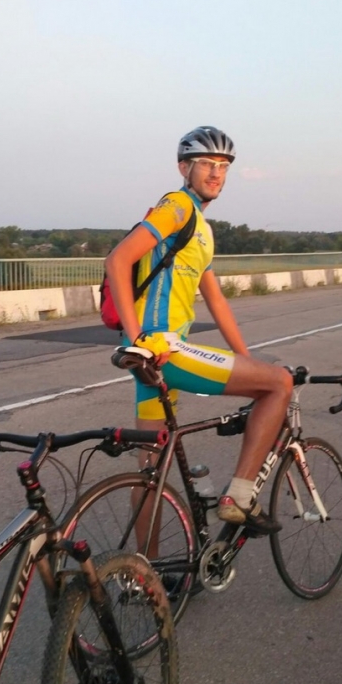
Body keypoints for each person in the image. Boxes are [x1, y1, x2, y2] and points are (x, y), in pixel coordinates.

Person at [104, 126, 292, 535]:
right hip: (161, 349)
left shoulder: (201, 228)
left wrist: (245, 358)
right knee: (279, 384)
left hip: (151, 356)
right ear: (183, 168)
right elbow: (117, 260)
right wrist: (139, 339)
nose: (216, 173)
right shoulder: (177, 207)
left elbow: (216, 299)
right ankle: (240, 497)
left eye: (223, 166)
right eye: (206, 163)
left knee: (150, 471)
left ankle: (144, 568)